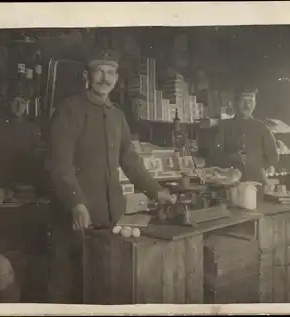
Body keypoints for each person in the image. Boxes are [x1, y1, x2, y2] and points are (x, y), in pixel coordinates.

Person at [47, 48, 173, 303]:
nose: (106, 78)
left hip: (110, 218)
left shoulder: (117, 115)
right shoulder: (69, 110)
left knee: (104, 286)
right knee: (68, 289)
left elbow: (130, 160)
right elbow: (59, 164)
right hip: (75, 219)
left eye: (111, 72)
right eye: (99, 71)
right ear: (87, 75)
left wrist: (155, 191)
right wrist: (76, 202)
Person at [209, 88, 279, 185]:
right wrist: (233, 157)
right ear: (235, 102)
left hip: (257, 183)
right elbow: (214, 157)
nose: (247, 105)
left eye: (250, 101)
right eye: (243, 101)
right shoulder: (224, 127)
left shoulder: (262, 128)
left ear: (255, 103)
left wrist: (256, 165)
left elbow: (273, 157)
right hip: (230, 184)